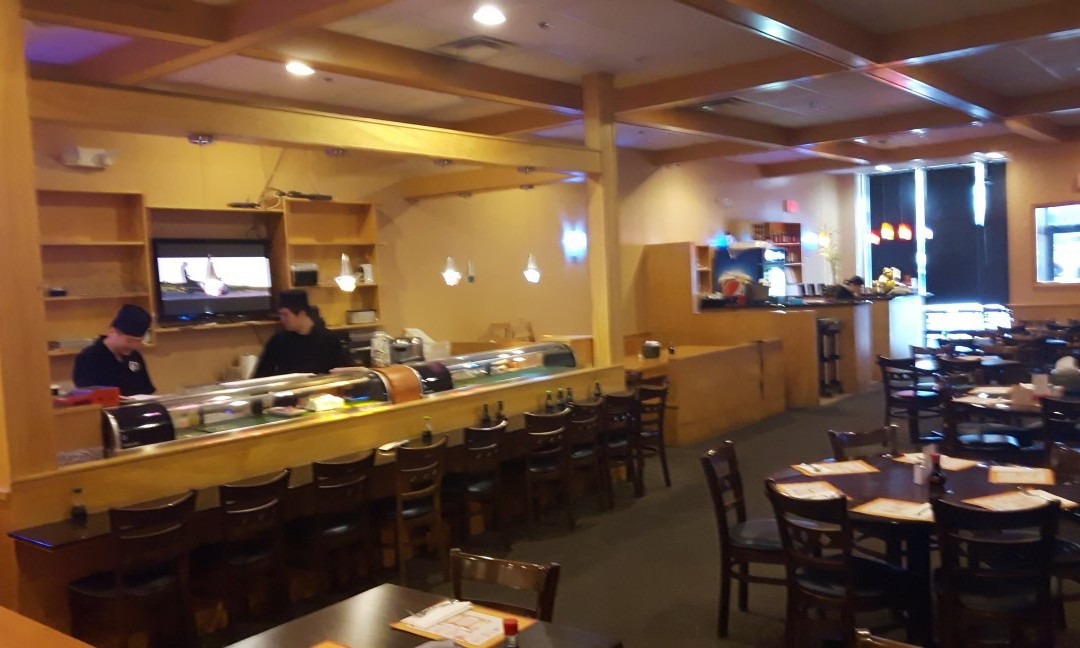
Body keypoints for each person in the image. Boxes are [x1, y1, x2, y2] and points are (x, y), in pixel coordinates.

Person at [253, 290, 352, 377]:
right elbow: (261, 375)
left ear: (302, 313)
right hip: (290, 391)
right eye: (281, 315)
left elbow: (345, 372)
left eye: (285, 314)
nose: (282, 319)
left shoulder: (329, 339)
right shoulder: (278, 340)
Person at [73, 304, 156, 396]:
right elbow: (85, 395)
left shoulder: (135, 356)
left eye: (138, 341)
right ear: (112, 332)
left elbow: (146, 391)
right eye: (129, 340)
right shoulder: (89, 357)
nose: (133, 345)